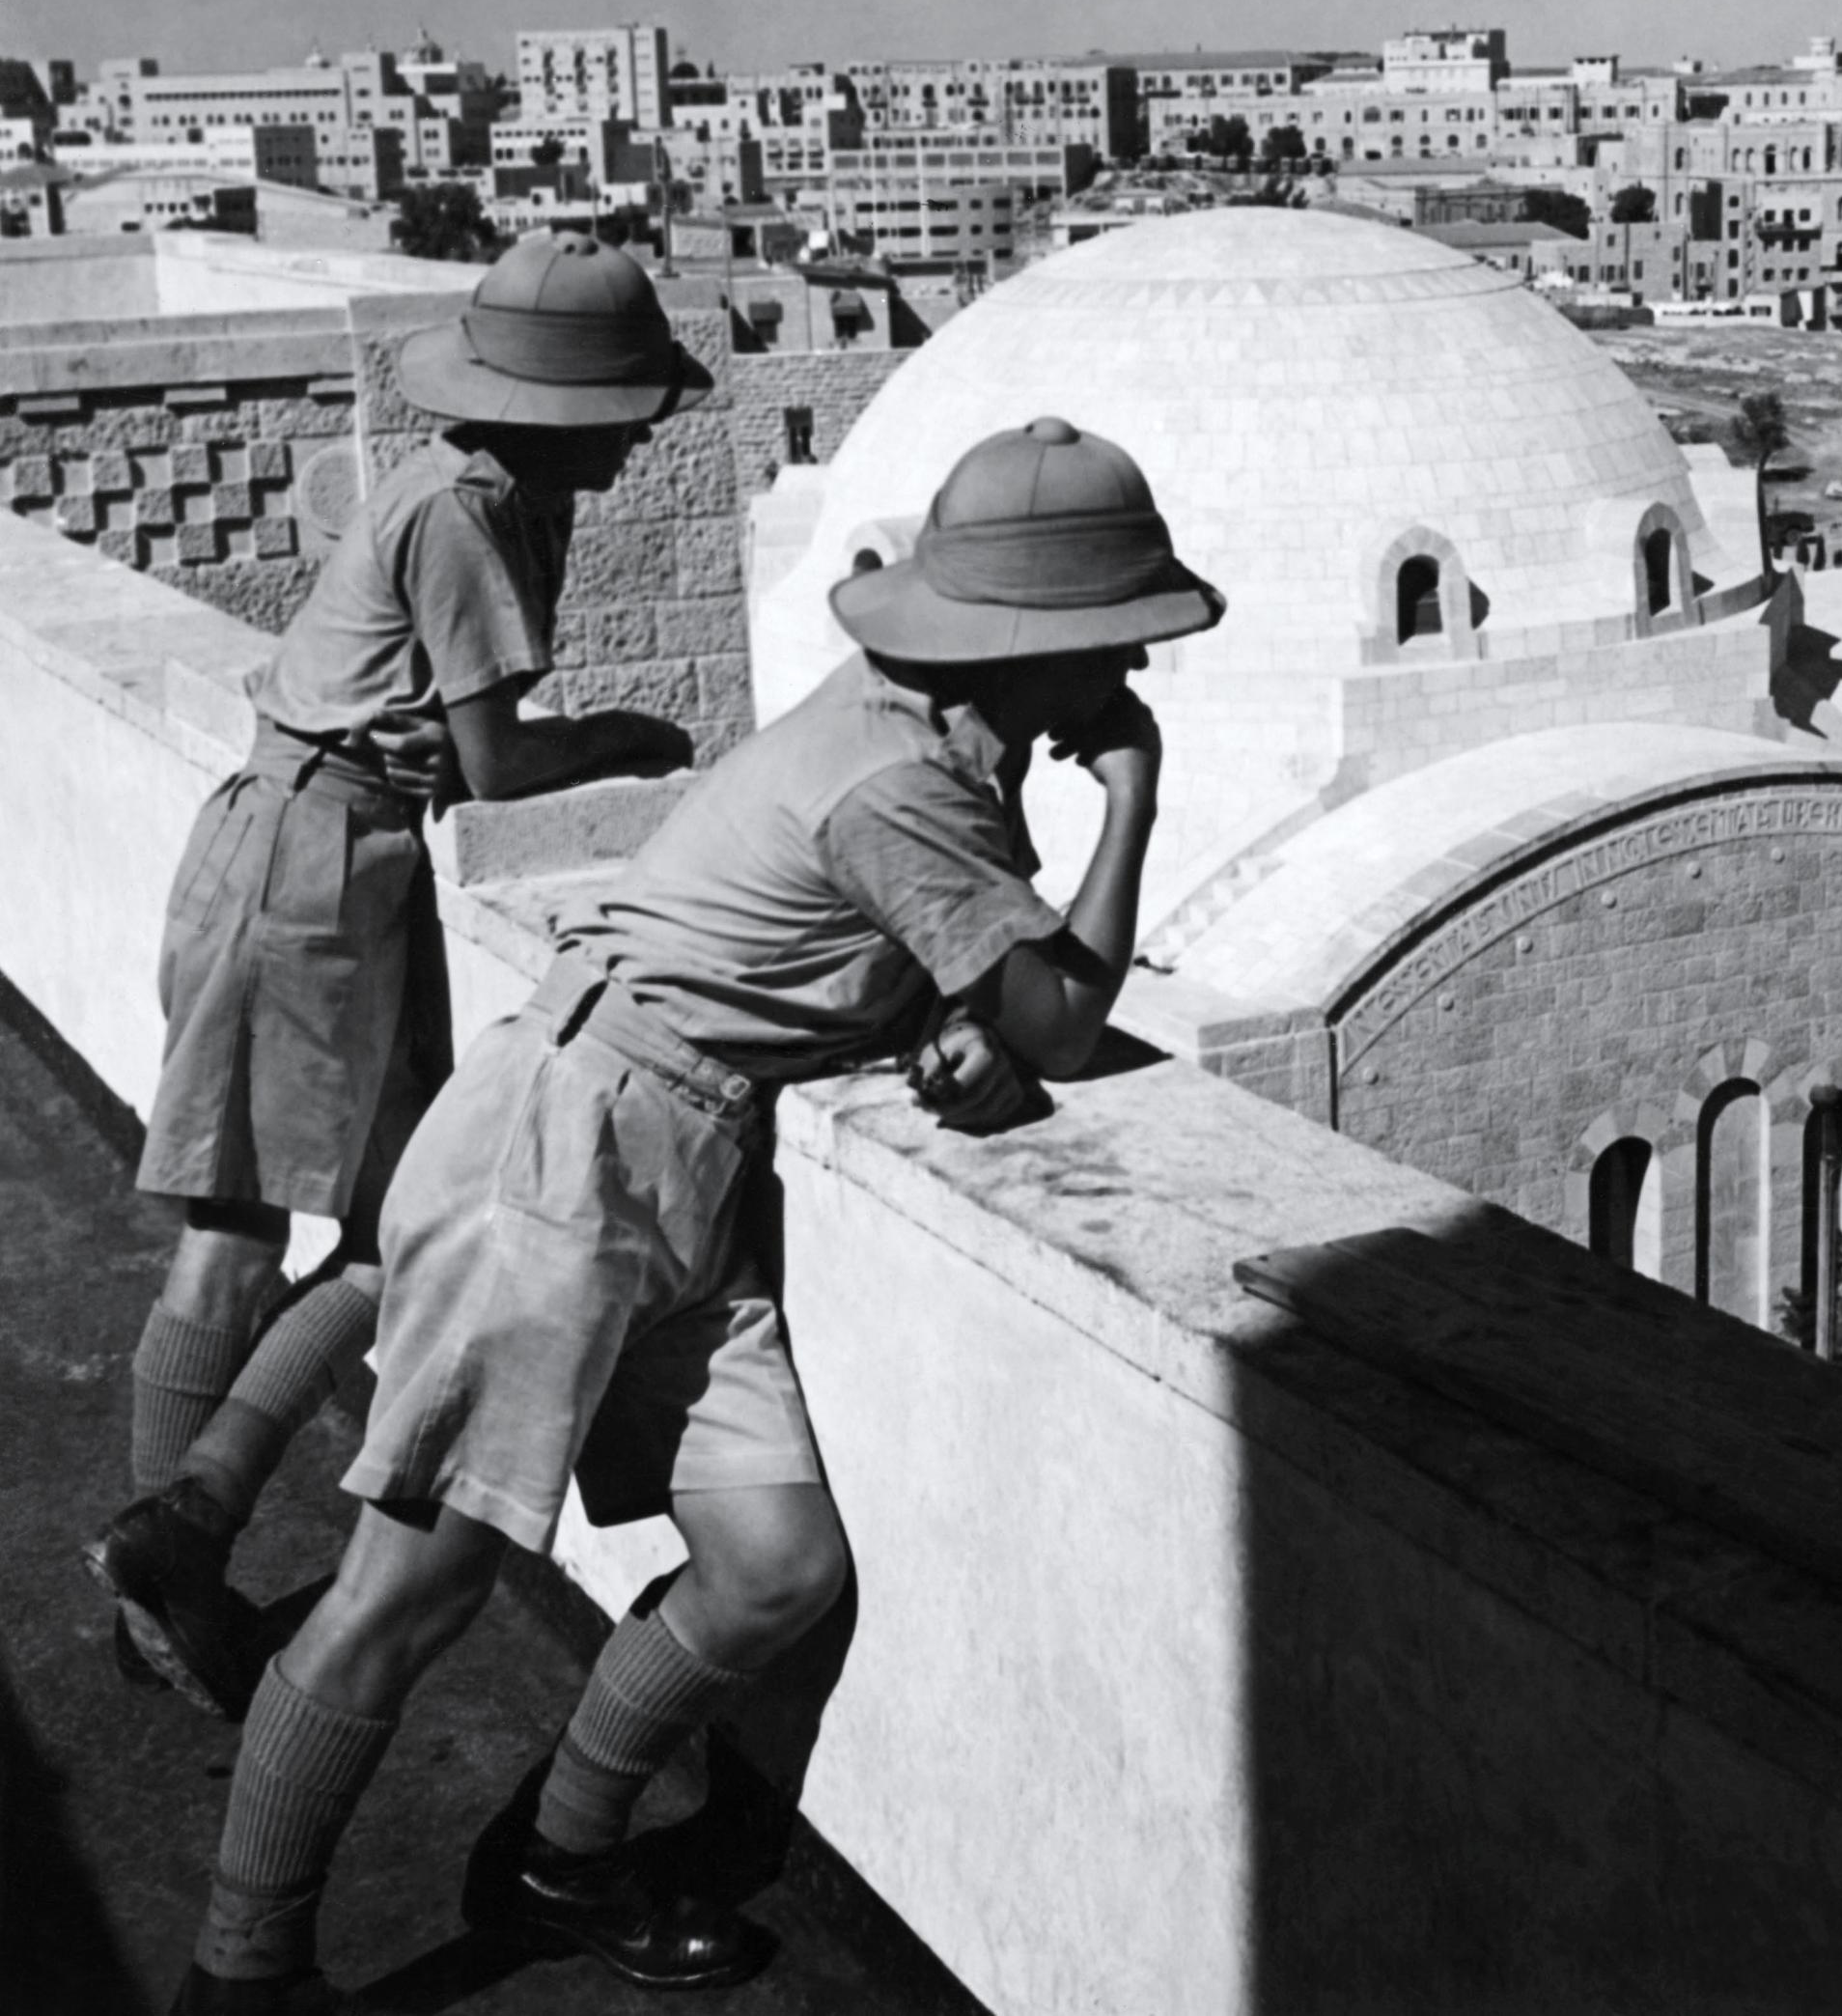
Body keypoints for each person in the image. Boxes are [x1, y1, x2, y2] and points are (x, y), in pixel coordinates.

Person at [169, 415, 1222, 2012]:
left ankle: (558, 1858)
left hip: (681, 1157)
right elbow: (1063, 1021)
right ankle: (238, 1975)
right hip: (569, 1161)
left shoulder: (922, 737)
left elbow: (914, 963)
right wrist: (1131, 797)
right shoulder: (900, 777)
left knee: (775, 1566)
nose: (1131, 676)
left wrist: (935, 1017)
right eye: (1117, 645)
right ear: (1047, 646)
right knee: (410, 1592)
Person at [88, 232, 703, 1722]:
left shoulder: (496, 495)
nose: (640, 430)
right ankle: (170, 1570)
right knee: (246, 1236)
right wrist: (631, 739)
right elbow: (498, 760)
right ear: (564, 409)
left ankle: (176, 1550)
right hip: (308, 863)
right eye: (625, 407)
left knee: (380, 1225)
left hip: (337, 857)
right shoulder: (462, 510)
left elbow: (434, 720)